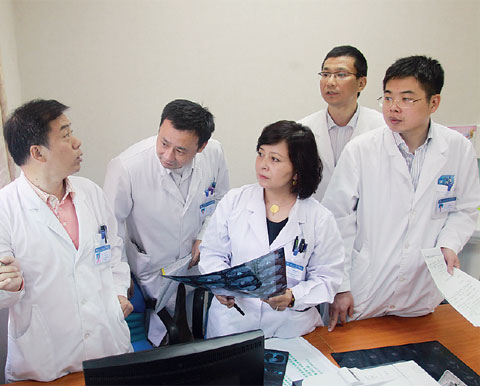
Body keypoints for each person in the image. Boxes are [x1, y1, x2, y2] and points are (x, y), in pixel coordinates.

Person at [0, 99, 133, 382]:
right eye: (65, 135)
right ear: (37, 152)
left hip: (107, 350)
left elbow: (113, 254)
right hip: (45, 365)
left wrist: (118, 293)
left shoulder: (91, 193)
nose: (76, 142)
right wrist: (11, 284)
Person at [323, 56, 480, 331]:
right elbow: (338, 220)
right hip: (365, 287)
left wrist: (449, 243)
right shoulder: (362, 150)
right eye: (387, 97)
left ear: (434, 103)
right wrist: (341, 286)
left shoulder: (457, 148)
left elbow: (466, 208)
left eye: (407, 99)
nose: (393, 108)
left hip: (422, 288)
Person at [199, 121, 344, 338]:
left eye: (275, 159)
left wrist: (293, 297)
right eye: (261, 154)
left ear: (297, 169)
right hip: (232, 324)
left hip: (291, 329)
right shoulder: (234, 201)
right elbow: (212, 253)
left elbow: (327, 278)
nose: (262, 165)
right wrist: (221, 286)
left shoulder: (319, 218)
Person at [103, 99, 230, 345]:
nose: (168, 155)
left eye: (181, 150)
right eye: (163, 143)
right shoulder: (127, 167)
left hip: (196, 268)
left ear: (201, 146)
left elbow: (221, 198)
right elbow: (111, 230)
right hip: (153, 269)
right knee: (161, 343)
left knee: (200, 338)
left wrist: (205, 233)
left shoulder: (214, 153)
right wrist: (120, 277)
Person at [298, 45, 385, 201]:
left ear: (361, 83)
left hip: (365, 221)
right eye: (325, 74)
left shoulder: (383, 129)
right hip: (316, 220)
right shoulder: (302, 129)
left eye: (341, 74)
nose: (330, 82)